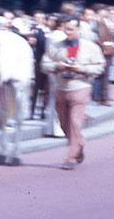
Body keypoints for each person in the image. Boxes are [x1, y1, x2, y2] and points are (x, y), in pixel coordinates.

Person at [41, 16, 104, 171]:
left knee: (76, 123)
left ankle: (71, 158)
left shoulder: (91, 47)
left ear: (78, 30)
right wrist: (57, 66)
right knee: (64, 125)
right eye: (65, 28)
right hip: (61, 88)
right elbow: (44, 64)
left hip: (80, 87)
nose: (67, 32)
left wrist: (81, 69)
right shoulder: (56, 46)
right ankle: (79, 144)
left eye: (70, 29)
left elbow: (100, 66)